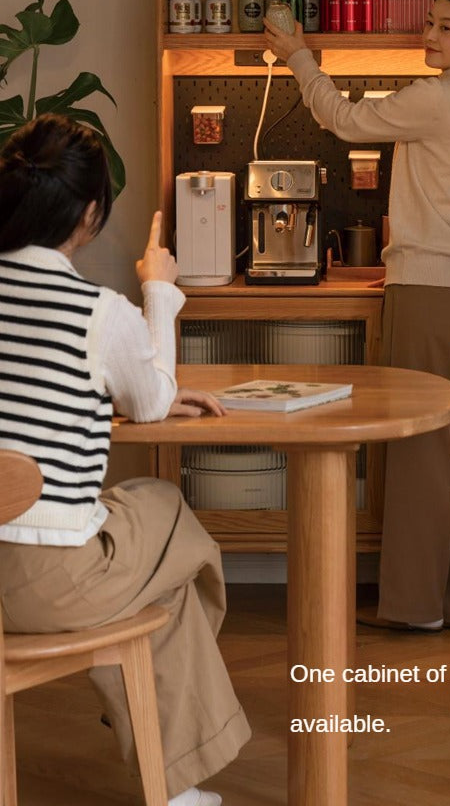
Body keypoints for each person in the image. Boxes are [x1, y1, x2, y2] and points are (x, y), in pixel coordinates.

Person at [0, 115, 250, 806]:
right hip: (51, 585)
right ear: (88, 214)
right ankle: (172, 785)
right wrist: (159, 290)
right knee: (164, 510)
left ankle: (175, 782)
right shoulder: (97, 314)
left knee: (154, 579)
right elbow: (147, 405)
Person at [264, 0, 450, 632]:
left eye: (446, 28)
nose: (429, 37)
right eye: (429, 24)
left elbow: (345, 119)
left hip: (427, 293)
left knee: (419, 455)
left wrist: (299, 54)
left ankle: (414, 608)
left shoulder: (437, 99)